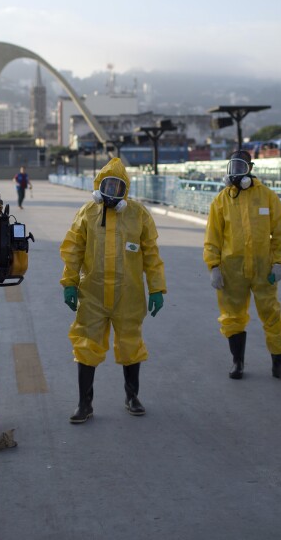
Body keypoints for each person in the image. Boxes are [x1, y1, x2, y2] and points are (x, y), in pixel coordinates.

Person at [60, 158, 166, 423]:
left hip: (128, 295)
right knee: (86, 345)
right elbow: (73, 251)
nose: (112, 192)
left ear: (125, 190)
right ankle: (84, 404)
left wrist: (156, 288)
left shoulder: (138, 214)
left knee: (131, 345)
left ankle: (132, 397)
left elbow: (151, 255)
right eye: (107, 186)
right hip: (92, 294)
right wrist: (69, 283)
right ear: (99, 186)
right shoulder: (87, 213)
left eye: (118, 188)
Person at [203, 150, 281, 383]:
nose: (235, 172)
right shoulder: (221, 200)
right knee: (232, 316)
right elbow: (212, 237)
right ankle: (238, 362)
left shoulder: (267, 197)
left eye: (240, 167)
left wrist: (279, 262)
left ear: (250, 169)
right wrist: (213, 266)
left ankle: (279, 365)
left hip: (264, 270)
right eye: (232, 167)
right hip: (231, 270)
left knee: (272, 314)